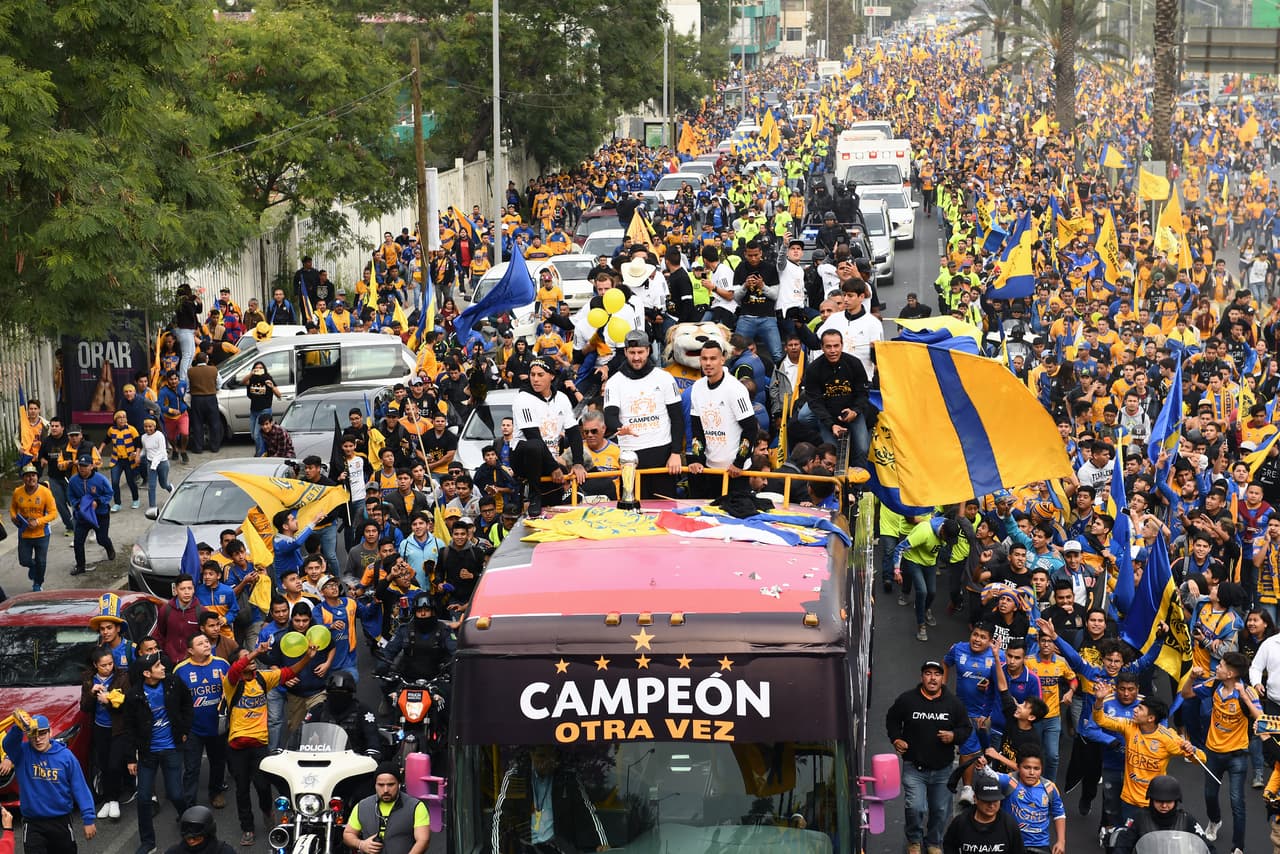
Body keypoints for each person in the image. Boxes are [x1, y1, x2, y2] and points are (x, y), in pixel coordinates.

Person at [224, 638, 316, 845]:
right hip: (236, 746)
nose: (251, 660)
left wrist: (307, 658)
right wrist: (256, 652)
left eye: (251, 657)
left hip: (259, 744)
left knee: (263, 786)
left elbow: (289, 672)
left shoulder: (263, 678)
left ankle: (267, 811)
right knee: (241, 790)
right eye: (245, 658)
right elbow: (236, 669)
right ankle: (247, 828)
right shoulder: (231, 682)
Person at [885, 660, 972, 854]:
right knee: (915, 807)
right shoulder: (907, 700)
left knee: (940, 810)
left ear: (942, 678)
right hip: (914, 768)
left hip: (943, 770)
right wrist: (896, 739)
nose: (933, 678)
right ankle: (914, 841)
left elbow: (966, 728)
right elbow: (892, 719)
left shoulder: (954, 704)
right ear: (922, 677)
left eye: (937, 674)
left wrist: (954, 736)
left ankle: (933, 842)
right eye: (928, 673)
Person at [1183, 650, 1261, 852]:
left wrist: (1244, 697)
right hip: (1213, 752)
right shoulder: (1213, 685)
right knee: (1210, 795)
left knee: (1237, 803)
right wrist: (1191, 677)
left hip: (1237, 756)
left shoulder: (1248, 692)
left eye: (1222, 665)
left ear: (1231, 673)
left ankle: (1238, 847)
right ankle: (1215, 820)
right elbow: (1186, 694)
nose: (1217, 667)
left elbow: (1261, 719)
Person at [122, 652, 192, 854]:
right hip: (147, 754)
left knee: (176, 794)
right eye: (158, 666)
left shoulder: (173, 683)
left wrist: (184, 730)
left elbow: (187, 704)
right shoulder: (134, 695)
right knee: (143, 798)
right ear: (146, 673)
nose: (163, 668)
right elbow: (129, 728)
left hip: (171, 749)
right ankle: (148, 842)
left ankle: (190, 824)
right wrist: (130, 758)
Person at [601, 330, 684, 499]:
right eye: (632, 352)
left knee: (664, 506)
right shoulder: (614, 382)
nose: (636, 357)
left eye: (640, 352)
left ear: (648, 350)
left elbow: (677, 418)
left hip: (662, 455)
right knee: (633, 507)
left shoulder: (664, 378)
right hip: (631, 457)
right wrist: (620, 427)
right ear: (625, 352)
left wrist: (676, 453)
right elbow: (609, 416)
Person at [0, 712, 96, 854]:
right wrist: (18, 727)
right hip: (33, 824)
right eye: (33, 734)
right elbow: (8, 745)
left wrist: (88, 819)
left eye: (42, 733)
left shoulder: (66, 757)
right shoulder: (22, 753)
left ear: (50, 732)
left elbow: (80, 788)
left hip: (60, 821)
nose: (38, 739)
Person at [489, 746, 610, 853]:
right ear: (531, 754)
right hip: (526, 848)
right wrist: (497, 851)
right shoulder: (516, 775)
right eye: (541, 756)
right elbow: (500, 816)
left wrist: (602, 843)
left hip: (558, 848)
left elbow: (586, 810)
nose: (546, 762)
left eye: (551, 757)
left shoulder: (567, 777)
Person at [512, 358, 586, 515]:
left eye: (540, 375)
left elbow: (573, 431)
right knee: (534, 445)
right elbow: (532, 436)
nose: (535, 379)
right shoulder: (523, 398)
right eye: (532, 374)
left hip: (548, 458)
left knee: (563, 491)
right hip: (524, 456)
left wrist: (578, 462)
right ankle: (534, 495)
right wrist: (554, 467)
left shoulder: (562, 398)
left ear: (551, 376)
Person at [687, 340, 757, 500]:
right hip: (711, 469)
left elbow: (751, 428)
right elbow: (697, 428)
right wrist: (697, 459)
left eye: (713, 358)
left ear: (722, 359)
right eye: (704, 359)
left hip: (736, 472)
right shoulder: (697, 388)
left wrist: (739, 463)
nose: (708, 363)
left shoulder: (735, 389)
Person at [797, 328, 871, 466]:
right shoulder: (813, 369)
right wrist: (830, 424)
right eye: (828, 346)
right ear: (822, 347)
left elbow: (863, 393)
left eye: (836, 346)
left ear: (842, 345)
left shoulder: (854, 363)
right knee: (831, 452)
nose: (833, 350)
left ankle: (858, 478)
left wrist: (855, 411)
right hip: (828, 412)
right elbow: (815, 401)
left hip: (852, 411)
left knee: (862, 448)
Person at [174, 632, 230, 810]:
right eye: (200, 643)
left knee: (218, 762)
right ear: (190, 650)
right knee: (191, 767)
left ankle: (216, 792)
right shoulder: (181, 670)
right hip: (193, 728)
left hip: (217, 725)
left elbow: (232, 691)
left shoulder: (222, 664)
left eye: (207, 641)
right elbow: (175, 700)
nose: (206, 644)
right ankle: (189, 803)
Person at [893, 517, 962, 642]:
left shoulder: (948, 527)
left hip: (930, 562)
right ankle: (921, 625)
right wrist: (897, 570)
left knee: (932, 592)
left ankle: (924, 609)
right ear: (942, 531)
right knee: (922, 591)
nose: (947, 541)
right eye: (947, 538)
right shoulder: (924, 532)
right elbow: (899, 548)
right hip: (914, 560)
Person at [82, 645, 129, 820]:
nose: (108, 668)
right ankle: (108, 800)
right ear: (95, 665)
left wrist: (108, 701)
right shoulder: (89, 679)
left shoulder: (122, 677)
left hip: (118, 728)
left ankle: (114, 799)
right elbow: (84, 707)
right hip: (99, 727)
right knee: (103, 765)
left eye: (110, 663)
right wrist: (91, 693)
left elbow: (127, 706)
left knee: (115, 764)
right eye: (104, 665)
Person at [1108, 775, 1213, 854]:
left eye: (1169, 801)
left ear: (1176, 801)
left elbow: (1206, 845)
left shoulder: (1186, 819)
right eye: (1159, 801)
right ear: (1151, 800)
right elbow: (1123, 845)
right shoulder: (1139, 818)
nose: (1164, 805)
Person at [343, 764, 431, 854]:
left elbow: (423, 841)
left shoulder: (415, 806)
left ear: (399, 784)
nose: (385, 790)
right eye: (381, 785)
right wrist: (361, 844)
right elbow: (348, 834)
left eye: (391, 784)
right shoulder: (362, 806)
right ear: (375, 785)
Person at [378, 591, 456, 684]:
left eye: (426, 610)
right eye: (419, 611)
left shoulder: (444, 630)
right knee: (386, 687)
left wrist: (455, 671)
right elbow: (389, 650)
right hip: (407, 680)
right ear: (415, 612)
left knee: (453, 691)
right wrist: (382, 666)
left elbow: (455, 653)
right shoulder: (404, 629)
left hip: (437, 679)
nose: (423, 614)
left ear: (433, 611)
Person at [940, 771, 1026, 854]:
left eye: (995, 801)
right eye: (986, 801)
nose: (991, 805)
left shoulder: (1009, 824)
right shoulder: (960, 822)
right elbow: (949, 846)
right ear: (975, 799)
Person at [67, 451, 115, 576]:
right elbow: (70, 496)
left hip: (100, 514)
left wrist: (98, 502)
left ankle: (109, 547)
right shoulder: (73, 480)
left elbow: (109, 493)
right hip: (82, 516)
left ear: (92, 466)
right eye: (80, 465)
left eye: (85, 466)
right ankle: (80, 566)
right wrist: (77, 504)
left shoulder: (100, 479)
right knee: (78, 541)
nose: (82, 468)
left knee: (101, 539)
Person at [11, 462, 56, 591]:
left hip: (42, 533)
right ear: (23, 478)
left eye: (33, 475)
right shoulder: (17, 492)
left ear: (37, 477)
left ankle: (38, 583)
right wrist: (14, 518)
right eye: (27, 476)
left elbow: (53, 513)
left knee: (41, 561)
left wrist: (38, 521)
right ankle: (32, 566)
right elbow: (13, 508)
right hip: (24, 533)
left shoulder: (45, 492)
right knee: (24, 560)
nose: (30, 478)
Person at [154, 574, 203, 665]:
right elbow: (160, 634)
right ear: (176, 590)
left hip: (192, 662)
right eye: (182, 589)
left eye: (189, 588)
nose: (187, 592)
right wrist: (164, 655)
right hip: (169, 661)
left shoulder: (201, 611)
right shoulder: (165, 610)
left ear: (194, 590)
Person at [165, 806, 235, 854]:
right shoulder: (173, 852)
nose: (191, 841)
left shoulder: (225, 852)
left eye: (196, 838)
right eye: (187, 838)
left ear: (208, 834)